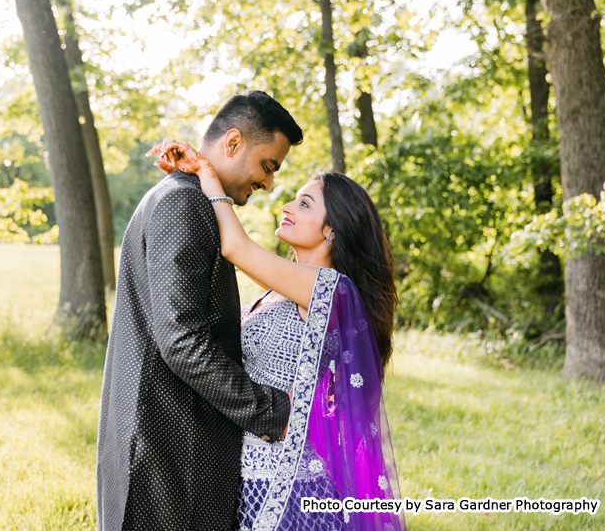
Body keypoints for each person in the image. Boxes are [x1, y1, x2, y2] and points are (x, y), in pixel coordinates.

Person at [148, 139, 406, 531]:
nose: (286, 207)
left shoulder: (330, 290)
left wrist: (207, 173)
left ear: (332, 230)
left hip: (292, 487)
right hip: (252, 473)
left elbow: (236, 246)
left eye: (304, 204)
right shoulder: (285, 290)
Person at [96, 90, 304, 531]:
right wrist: (274, 411)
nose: (268, 184)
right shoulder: (183, 203)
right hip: (167, 452)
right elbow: (183, 341)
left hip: (166, 446)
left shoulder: (190, 198)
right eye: (268, 165)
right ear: (233, 143)